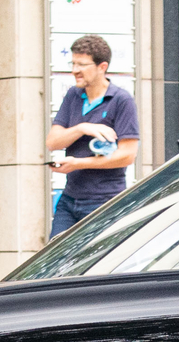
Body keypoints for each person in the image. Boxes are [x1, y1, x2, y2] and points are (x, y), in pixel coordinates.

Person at [45, 34, 140, 235]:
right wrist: (82, 128)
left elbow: (127, 155)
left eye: (81, 65)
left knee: (95, 265)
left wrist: (79, 163)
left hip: (104, 201)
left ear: (102, 67)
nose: (74, 71)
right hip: (69, 199)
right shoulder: (73, 95)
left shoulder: (121, 100)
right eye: (73, 63)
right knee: (55, 262)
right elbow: (52, 142)